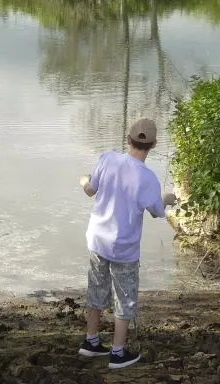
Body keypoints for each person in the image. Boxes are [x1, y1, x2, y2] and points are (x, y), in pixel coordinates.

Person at [77, 118, 178, 369]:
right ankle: (118, 353)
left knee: (97, 289)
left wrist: (82, 180)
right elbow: (157, 210)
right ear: (153, 144)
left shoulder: (108, 159)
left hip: (97, 240)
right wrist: (166, 197)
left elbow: (90, 189)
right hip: (124, 248)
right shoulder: (148, 179)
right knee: (125, 298)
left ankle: (91, 342)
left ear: (127, 138)